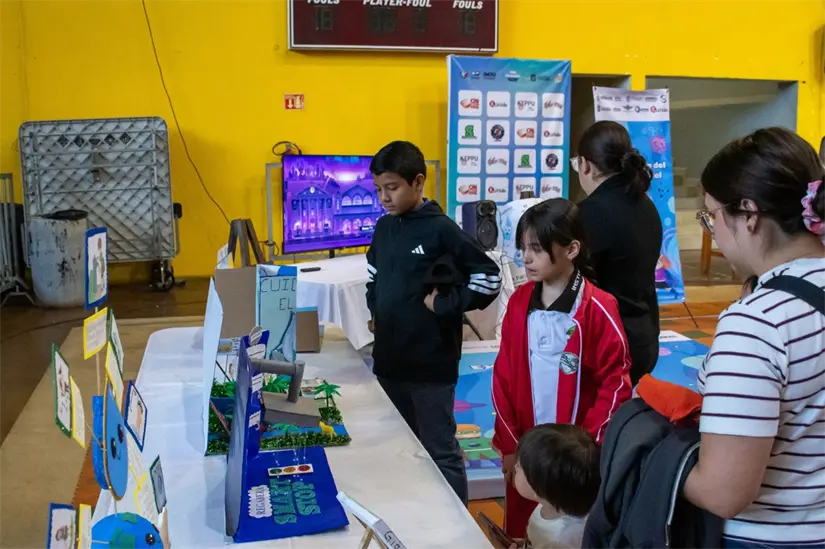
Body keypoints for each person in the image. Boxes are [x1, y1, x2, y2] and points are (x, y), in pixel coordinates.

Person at [683, 127, 825, 548]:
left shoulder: (758, 324)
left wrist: (646, 460)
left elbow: (726, 492)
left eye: (711, 217)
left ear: (748, 213)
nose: (714, 232)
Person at [365, 140, 502, 505]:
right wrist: (376, 312)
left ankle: (456, 525)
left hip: (431, 365)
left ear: (418, 182)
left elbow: (489, 277)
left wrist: (447, 304)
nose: (384, 197)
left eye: (392, 188)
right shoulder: (384, 229)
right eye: (379, 189)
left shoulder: (441, 229)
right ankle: (415, 512)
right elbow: (373, 275)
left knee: (439, 448)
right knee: (398, 444)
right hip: (391, 361)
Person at [492, 198, 632, 537]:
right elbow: (503, 376)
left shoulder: (598, 307)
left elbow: (616, 382)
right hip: (527, 445)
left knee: (570, 531)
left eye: (537, 249)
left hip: (573, 456)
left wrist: (583, 450)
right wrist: (511, 445)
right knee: (524, 524)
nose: (525, 258)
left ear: (571, 249)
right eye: (523, 248)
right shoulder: (519, 302)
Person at [574, 121, 663, 385]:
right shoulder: (646, 205)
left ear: (585, 165)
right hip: (644, 336)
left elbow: (571, 283)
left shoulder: (591, 213)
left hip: (609, 346)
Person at [507, 424, 600, 549]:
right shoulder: (550, 503)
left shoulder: (561, 541)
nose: (515, 467)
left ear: (538, 485)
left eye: (519, 466)